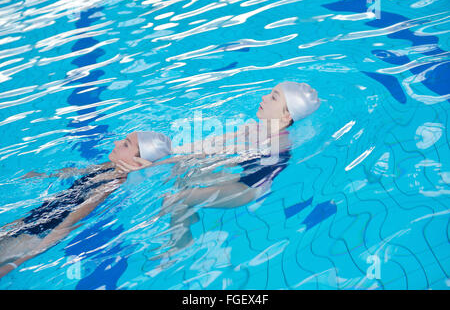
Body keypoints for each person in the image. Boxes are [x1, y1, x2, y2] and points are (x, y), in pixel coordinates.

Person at [118, 81, 321, 254]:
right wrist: (172, 152)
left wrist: (158, 163)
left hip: (248, 190)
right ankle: (187, 216)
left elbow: (217, 156)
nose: (264, 97)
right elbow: (208, 145)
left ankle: (180, 242)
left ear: (286, 117)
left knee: (177, 198)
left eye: (274, 97)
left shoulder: (275, 144)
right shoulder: (254, 128)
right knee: (182, 173)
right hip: (243, 176)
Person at [0, 131, 173, 278]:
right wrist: (46, 175)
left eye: (126, 145)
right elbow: (79, 172)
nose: (117, 142)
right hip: (32, 217)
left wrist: (16, 264)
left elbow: (65, 226)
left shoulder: (108, 186)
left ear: (137, 162)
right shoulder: (111, 165)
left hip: (35, 236)